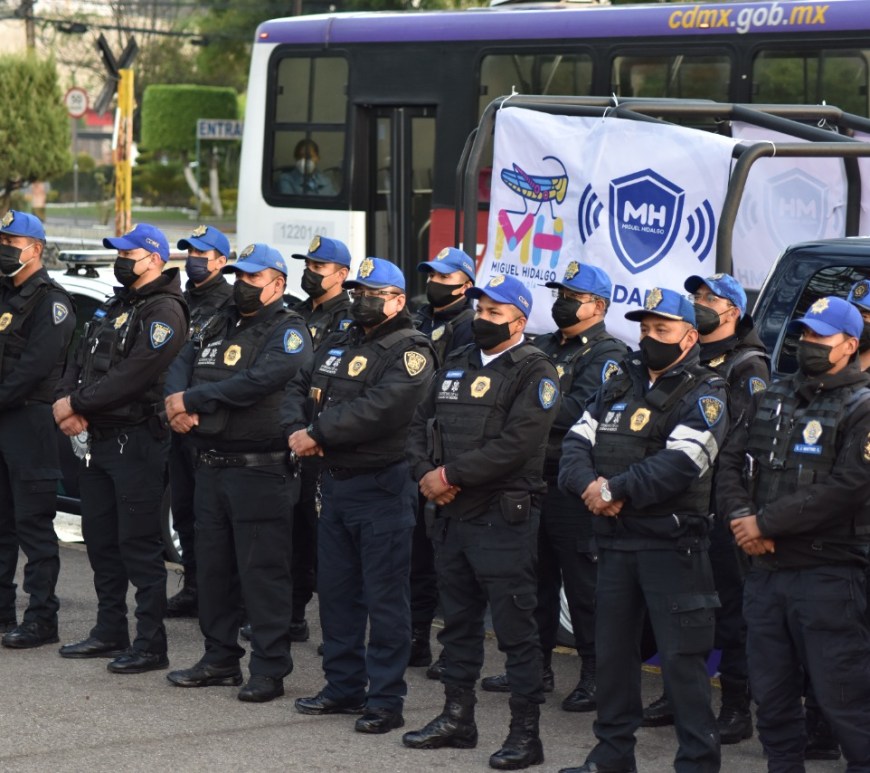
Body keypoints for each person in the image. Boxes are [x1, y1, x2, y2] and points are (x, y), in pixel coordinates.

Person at [558, 287, 726, 773]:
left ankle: (697, 763)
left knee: (682, 664)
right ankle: (611, 757)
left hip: (671, 549)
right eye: (646, 328)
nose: (651, 337)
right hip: (614, 545)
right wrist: (590, 484)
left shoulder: (706, 393)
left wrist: (613, 491)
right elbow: (575, 441)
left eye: (663, 329)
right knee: (613, 659)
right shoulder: (618, 383)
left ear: (690, 336)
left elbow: (682, 462)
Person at [403, 274, 560, 771]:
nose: (483, 319)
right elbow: (416, 426)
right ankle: (457, 719)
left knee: (516, 632)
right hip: (450, 515)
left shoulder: (536, 372)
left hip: (501, 519)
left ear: (519, 321)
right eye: (481, 311)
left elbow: (517, 445)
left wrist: (449, 475)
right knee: (458, 626)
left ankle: (524, 734)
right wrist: (427, 474)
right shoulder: (455, 363)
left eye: (495, 313)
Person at [718, 295, 870, 773]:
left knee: (843, 697)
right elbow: (729, 463)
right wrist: (744, 519)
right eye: (805, 334)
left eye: (820, 337)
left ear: (849, 345)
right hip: (765, 573)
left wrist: (766, 523)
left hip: (828, 575)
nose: (809, 344)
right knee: (774, 696)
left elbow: (848, 487)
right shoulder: (773, 395)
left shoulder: (862, 407)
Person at [284, 257, 434, 733]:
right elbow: (300, 384)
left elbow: (383, 409)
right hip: (335, 485)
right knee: (337, 594)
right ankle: (343, 687)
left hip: (382, 487)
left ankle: (386, 699)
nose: (360, 299)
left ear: (396, 300)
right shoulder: (342, 339)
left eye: (371, 293)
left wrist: (319, 432)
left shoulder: (411, 350)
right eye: (357, 291)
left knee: (386, 600)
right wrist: (298, 426)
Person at [164, 243, 312, 703]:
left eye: (253, 278)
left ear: (277, 284)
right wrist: (177, 405)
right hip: (210, 464)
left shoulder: (289, 330)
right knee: (213, 571)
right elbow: (180, 362)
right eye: (240, 277)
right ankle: (219, 658)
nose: (243, 286)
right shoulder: (217, 320)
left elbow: (260, 381)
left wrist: (193, 401)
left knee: (262, 575)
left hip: (259, 471)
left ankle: (269, 669)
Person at [479, 261, 629, 712]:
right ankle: (533, 669)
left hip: (570, 483)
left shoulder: (607, 355)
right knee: (531, 582)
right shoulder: (540, 346)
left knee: (584, 588)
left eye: (572, 295)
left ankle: (594, 677)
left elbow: (571, 413)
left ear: (598, 306)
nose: (561, 301)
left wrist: (521, 412)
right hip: (528, 480)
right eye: (560, 293)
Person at [53, 223, 187, 674]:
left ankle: (151, 643)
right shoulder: (116, 305)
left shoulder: (165, 312)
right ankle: (110, 630)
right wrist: (67, 401)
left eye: (128, 253)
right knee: (102, 543)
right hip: (98, 441)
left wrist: (76, 404)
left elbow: (135, 374)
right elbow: (80, 360)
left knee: (139, 546)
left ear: (153, 259)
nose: (120, 260)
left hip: (137, 443)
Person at [642, 273, 769, 745]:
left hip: (720, 501)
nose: (699, 303)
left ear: (732, 311)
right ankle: (678, 696)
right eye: (695, 296)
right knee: (680, 607)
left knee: (731, 610)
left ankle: (736, 707)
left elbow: (739, 439)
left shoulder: (748, 365)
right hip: (679, 499)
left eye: (709, 298)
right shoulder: (691, 356)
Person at [0, 211, 75, 649]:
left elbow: (34, 368)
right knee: (2, 524)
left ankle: (42, 617)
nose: (5, 249)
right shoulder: (5, 295)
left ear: (35, 249)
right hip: (4, 421)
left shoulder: (52, 301)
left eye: (12, 242)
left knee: (33, 527)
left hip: (30, 422)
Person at [410, 246, 476, 674]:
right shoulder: (418, 316)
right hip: (412, 445)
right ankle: (414, 640)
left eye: (446, 277)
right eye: (432, 275)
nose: (436, 282)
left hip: (446, 452)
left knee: (447, 562)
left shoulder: (470, 326)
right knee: (414, 555)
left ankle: (453, 650)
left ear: (465, 286)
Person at [284, 236, 353, 644]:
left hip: (321, 440)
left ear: (341, 275)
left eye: (319, 268)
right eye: (308, 266)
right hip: (291, 433)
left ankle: (331, 630)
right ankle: (291, 615)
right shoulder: (294, 311)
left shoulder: (346, 319)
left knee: (316, 535)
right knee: (291, 532)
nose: (310, 273)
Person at [165, 225, 235, 620]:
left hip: (207, 425)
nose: (193, 260)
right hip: (174, 423)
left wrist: (192, 408)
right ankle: (193, 586)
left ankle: (223, 595)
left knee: (217, 519)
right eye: (189, 252)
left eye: (201, 254)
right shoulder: (180, 300)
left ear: (221, 262)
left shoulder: (229, 304)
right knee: (185, 511)